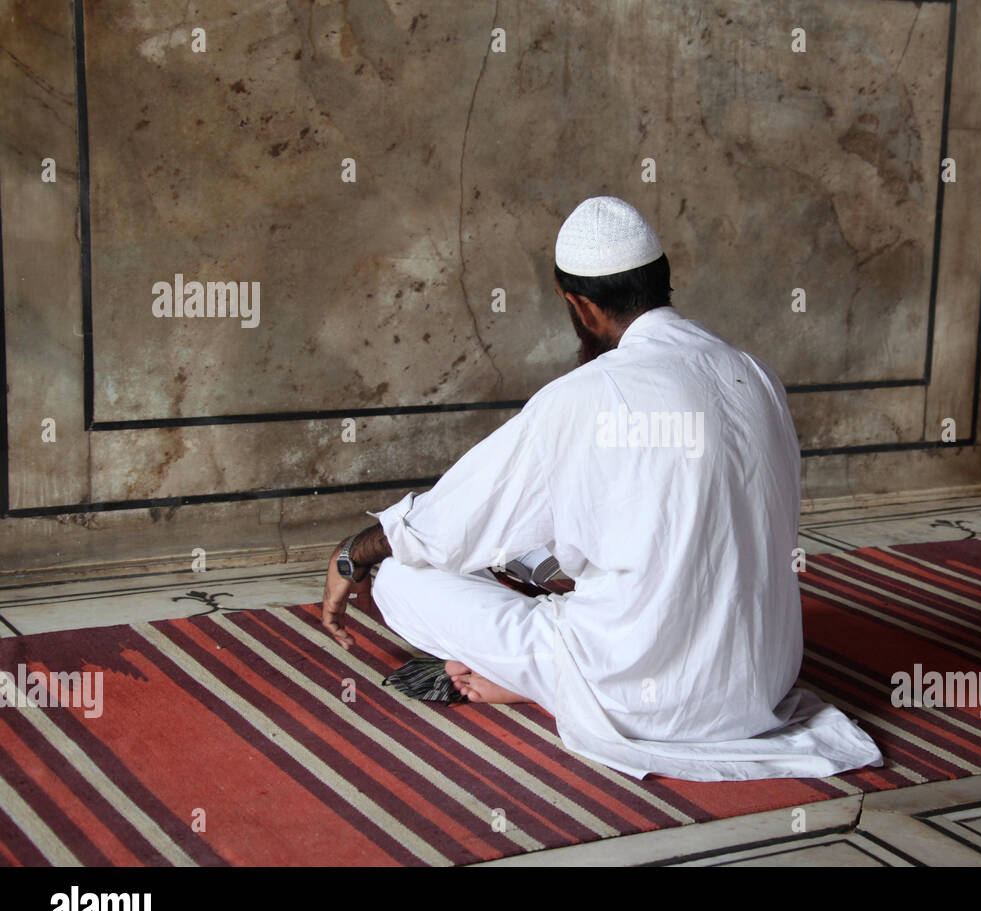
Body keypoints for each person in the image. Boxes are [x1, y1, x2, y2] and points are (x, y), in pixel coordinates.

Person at [320, 196, 883, 782]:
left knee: (401, 576)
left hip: (632, 691)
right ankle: (536, 665)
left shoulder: (582, 395)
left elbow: (444, 527)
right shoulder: (755, 373)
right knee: (525, 545)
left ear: (580, 305)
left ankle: (540, 682)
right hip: (760, 682)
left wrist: (351, 554)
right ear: (662, 282)